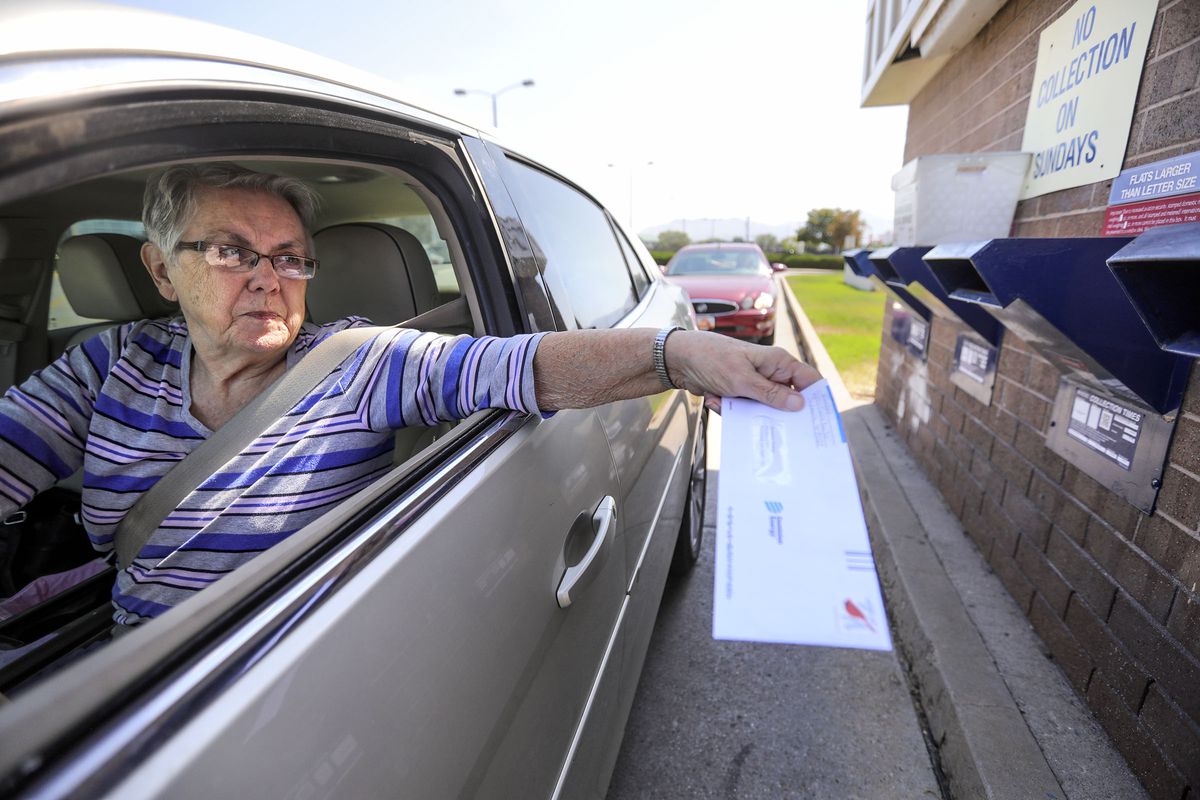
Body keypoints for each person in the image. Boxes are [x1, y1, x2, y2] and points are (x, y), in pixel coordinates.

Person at [0, 163, 819, 626]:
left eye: (290, 258)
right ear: (159, 270)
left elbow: (514, 366)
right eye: (229, 251)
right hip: (125, 657)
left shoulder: (353, 362)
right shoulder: (111, 362)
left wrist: (684, 355)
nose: (267, 279)